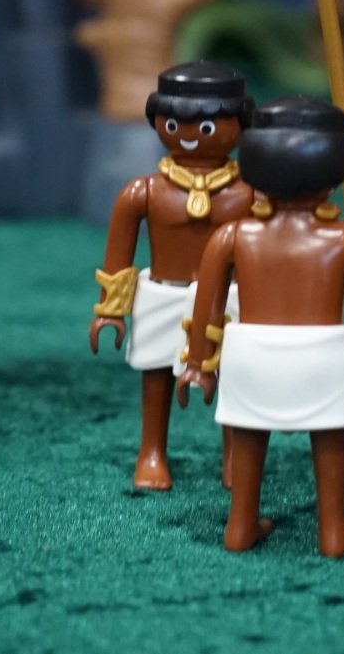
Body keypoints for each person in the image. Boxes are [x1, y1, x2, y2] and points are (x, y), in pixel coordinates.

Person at [177, 97, 344, 555]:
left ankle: (240, 526)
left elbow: (206, 308)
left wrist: (198, 366)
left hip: (251, 357)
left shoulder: (232, 235)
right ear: (336, 173)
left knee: (248, 435)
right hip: (324, 359)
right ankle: (333, 531)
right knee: (329, 438)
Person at [89, 62, 254, 490]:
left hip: (229, 298)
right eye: (175, 123)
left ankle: (236, 456)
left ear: (241, 125)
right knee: (156, 374)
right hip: (163, 295)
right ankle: (151, 452)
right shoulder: (143, 192)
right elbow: (118, 256)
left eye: (207, 126)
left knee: (233, 374)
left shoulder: (250, 194)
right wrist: (111, 310)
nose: (189, 134)